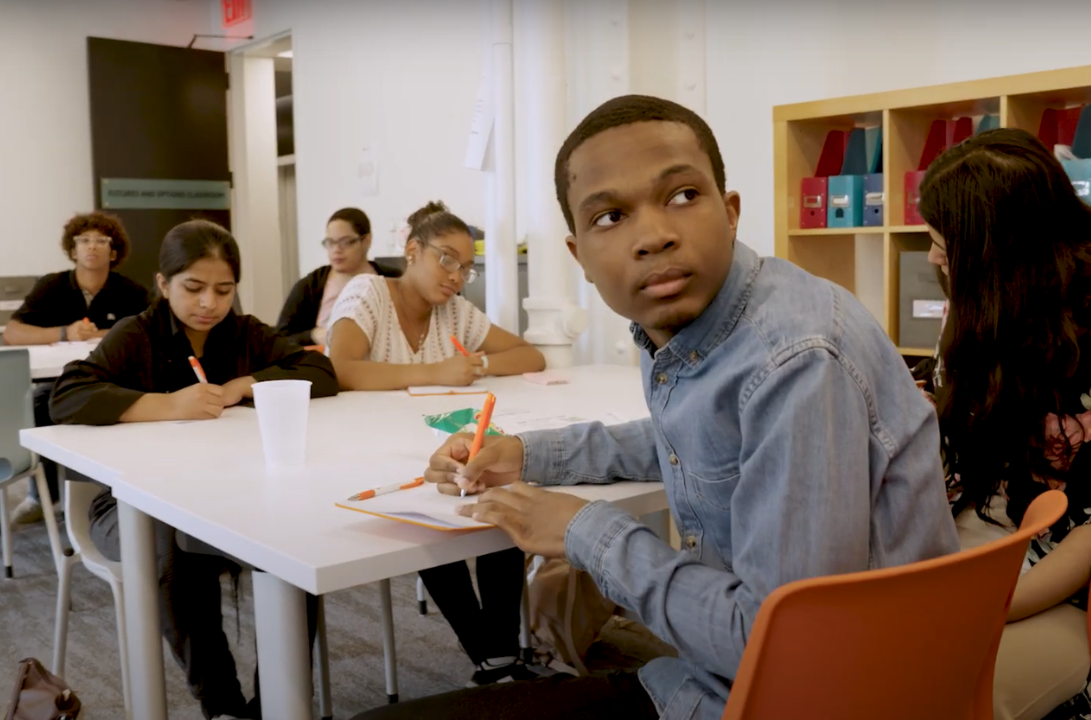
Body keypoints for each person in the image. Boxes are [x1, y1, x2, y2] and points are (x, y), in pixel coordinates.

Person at [355, 95, 959, 720]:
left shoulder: (796, 358)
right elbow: (689, 434)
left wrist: (583, 530)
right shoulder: (687, 322)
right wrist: (526, 453)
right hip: (728, 677)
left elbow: (780, 647)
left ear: (730, 213)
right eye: (611, 216)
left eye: (681, 196)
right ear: (579, 255)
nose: (653, 236)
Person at [49, 219, 337, 720]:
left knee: (294, 545)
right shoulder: (136, 334)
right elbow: (67, 396)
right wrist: (167, 405)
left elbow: (319, 372)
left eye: (224, 290)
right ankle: (223, 705)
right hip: (131, 505)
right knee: (174, 548)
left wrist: (240, 385)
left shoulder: (244, 333)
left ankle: (277, 706)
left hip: (227, 496)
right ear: (163, 285)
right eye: (194, 288)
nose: (209, 303)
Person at [327, 200, 547, 685]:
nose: (455, 276)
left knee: (497, 494)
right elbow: (339, 369)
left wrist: (480, 365)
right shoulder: (367, 292)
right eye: (446, 259)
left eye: (466, 268)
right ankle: (498, 658)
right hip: (365, 454)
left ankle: (497, 663)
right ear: (412, 250)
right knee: (426, 517)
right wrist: (435, 371)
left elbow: (530, 355)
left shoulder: (454, 312)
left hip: (435, 448)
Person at [920, 128, 1091, 720]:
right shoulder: (982, 307)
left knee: (934, 690)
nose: (933, 257)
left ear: (1002, 249)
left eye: (946, 243)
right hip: (985, 540)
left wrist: (989, 606)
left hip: (1062, 587)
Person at [3, 211, 150, 525]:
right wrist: (63, 333)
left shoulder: (132, 292)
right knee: (41, 402)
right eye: (84, 241)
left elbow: (150, 333)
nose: (92, 247)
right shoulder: (51, 286)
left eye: (101, 241)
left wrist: (102, 335)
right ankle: (42, 494)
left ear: (114, 251)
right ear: (73, 250)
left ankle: (110, 490)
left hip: (111, 378)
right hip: (58, 379)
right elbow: (12, 333)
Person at [276, 207, 400, 347]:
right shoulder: (310, 286)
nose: (336, 250)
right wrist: (313, 335)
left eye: (345, 242)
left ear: (366, 241)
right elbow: (280, 339)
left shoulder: (393, 279)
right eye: (330, 243)